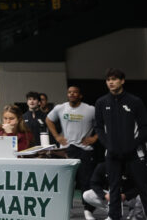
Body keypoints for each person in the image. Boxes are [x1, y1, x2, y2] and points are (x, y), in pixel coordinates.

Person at [94, 68, 147, 220]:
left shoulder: (135, 101)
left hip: (134, 153)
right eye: (108, 80)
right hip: (112, 153)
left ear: (122, 81)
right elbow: (99, 127)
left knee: (143, 187)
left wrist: (133, 144)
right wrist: (108, 145)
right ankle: (114, 217)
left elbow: (145, 127)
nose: (111, 82)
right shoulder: (101, 102)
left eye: (114, 79)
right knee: (114, 188)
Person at [46, 85, 98, 218]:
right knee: (66, 182)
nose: (72, 94)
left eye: (75, 92)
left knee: (86, 182)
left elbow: (103, 123)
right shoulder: (60, 108)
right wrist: (57, 136)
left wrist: (94, 138)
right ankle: (65, 208)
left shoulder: (90, 109)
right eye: (69, 92)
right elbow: (48, 120)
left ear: (80, 95)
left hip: (85, 150)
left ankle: (88, 210)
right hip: (67, 149)